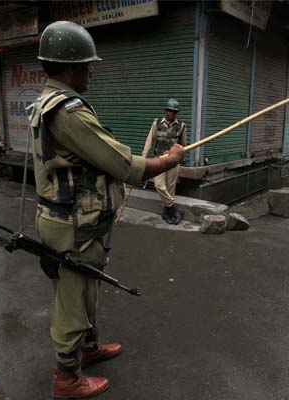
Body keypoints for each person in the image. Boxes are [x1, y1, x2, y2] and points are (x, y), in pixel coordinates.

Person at [29, 21, 185, 399]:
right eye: (86, 64)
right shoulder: (68, 112)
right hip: (72, 225)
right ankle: (66, 378)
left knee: (87, 290)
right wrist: (169, 160)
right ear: (68, 68)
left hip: (78, 220)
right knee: (73, 298)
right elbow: (122, 164)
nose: (91, 70)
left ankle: (87, 348)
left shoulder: (47, 103)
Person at [142, 99, 187, 224]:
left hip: (173, 162)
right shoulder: (157, 123)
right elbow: (149, 140)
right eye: (169, 111)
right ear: (165, 111)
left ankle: (167, 212)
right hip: (159, 161)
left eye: (174, 112)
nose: (171, 114)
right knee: (159, 186)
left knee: (170, 188)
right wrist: (144, 156)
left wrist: (180, 157)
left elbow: (183, 145)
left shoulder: (182, 126)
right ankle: (173, 208)